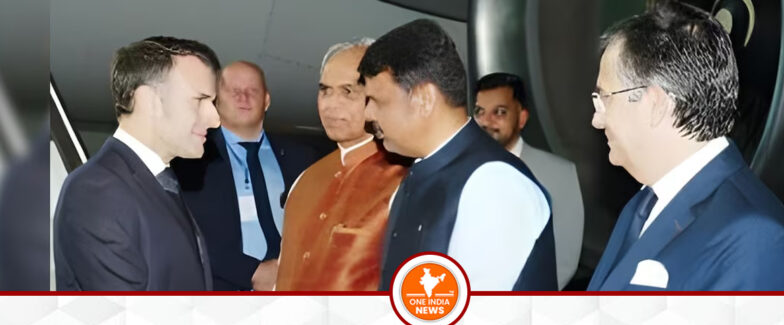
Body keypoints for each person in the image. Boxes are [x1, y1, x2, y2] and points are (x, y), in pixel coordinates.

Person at [587, 1, 784, 290]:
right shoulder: (645, 200)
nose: (597, 120)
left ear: (655, 103)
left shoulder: (754, 236)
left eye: (605, 99)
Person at [359, 19, 557, 291]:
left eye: (376, 101)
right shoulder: (419, 174)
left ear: (424, 99)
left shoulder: (493, 184)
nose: (368, 114)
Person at [54, 36, 220, 290]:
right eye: (200, 100)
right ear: (148, 100)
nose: (215, 119)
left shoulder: (153, 181)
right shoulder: (97, 193)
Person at [275, 39, 409, 291]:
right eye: (325, 90)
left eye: (348, 92)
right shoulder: (305, 180)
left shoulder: (407, 179)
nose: (330, 105)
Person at [172, 61, 315, 291]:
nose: (244, 97)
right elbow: (183, 229)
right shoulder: (188, 161)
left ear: (266, 101)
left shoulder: (303, 159)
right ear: (216, 100)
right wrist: (251, 273)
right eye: (234, 91)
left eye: (253, 91)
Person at [475, 72, 585, 290]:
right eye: (480, 111)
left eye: (499, 112)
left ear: (522, 118)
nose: (486, 121)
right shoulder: (456, 170)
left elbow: (564, 258)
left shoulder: (559, 174)